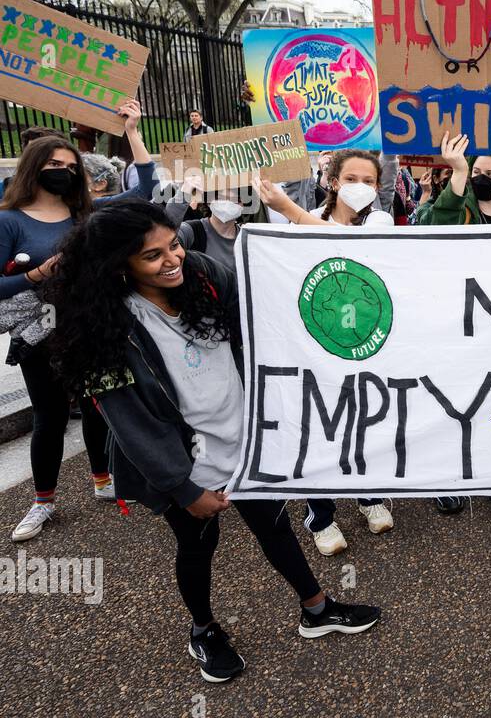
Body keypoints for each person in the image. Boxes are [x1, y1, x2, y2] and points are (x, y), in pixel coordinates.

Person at [45, 200, 381, 682]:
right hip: (185, 461)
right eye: (152, 256)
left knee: (276, 526)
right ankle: (203, 631)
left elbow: (263, 301)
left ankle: (317, 608)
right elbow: (131, 423)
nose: (172, 260)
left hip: (243, 440)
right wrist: (183, 489)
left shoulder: (201, 275)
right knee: (199, 545)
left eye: (174, 244)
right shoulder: (101, 329)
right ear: (117, 265)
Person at [261, 151, 436, 537]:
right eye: (351, 178)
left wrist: (288, 207)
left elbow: (347, 246)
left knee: (365, 420)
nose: (360, 186)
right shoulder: (306, 222)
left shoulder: (379, 220)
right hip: (318, 342)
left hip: (367, 340)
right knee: (319, 423)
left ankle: (368, 494)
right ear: (333, 182)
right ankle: (320, 514)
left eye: (368, 181)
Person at [0, 102, 153, 541]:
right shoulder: (9, 221)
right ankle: (42, 501)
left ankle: (102, 480)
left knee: (95, 405)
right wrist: (33, 275)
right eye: (53, 164)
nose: (63, 171)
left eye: (70, 165)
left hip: (86, 326)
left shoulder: (87, 214)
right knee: (48, 416)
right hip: (39, 334)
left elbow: (146, 191)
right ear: (34, 168)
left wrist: (133, 131)